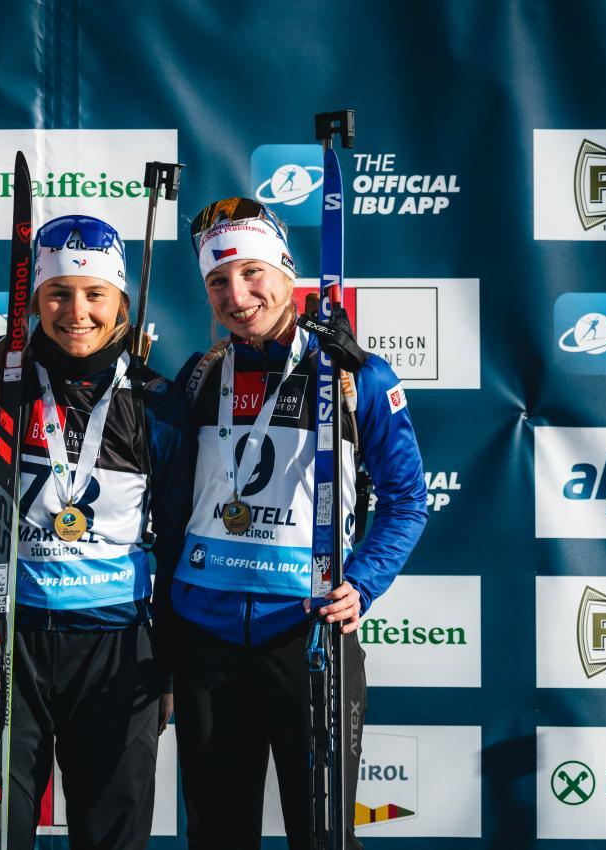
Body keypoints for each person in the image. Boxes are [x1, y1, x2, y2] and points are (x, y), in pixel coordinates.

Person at [167, 198, 428, 849]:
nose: (237, 295)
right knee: (216, 835)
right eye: (218, 281)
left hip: (305, 632)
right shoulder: (200, 375)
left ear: (287, 273)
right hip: (207, 636)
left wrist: (362, 583)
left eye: (251, 273)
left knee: (322, 834)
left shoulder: (354, 374)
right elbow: (165, 501)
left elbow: (405, 499)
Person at [0, 215, 192, 850]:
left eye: (94, 294)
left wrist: (168, 668)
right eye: (58, 293)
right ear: (34, 300)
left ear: (121, 303)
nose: (76, 312)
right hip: (8, 638)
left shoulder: (156, 402)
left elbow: (175, 541)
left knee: (113, 835)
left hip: (116, 648)